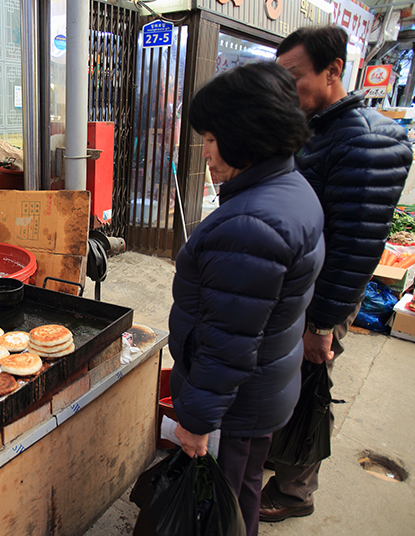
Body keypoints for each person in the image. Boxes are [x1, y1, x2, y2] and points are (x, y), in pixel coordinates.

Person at [260, 26, 413, 522]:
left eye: (295, 78)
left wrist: (322, 326)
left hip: (321, 297)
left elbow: (354, 248)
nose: (287, 90)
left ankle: (295, 491)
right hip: (293, 288)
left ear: (333, 71)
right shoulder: (314, 126)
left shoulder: (364, 141)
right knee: (281, 380)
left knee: (307, 387)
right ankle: (271, 457)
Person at [169, 61, 325, 536]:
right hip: (265, 391)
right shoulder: (291, 187)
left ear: (245, 135)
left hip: (236, 402)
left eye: (212, 139)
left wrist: (196, 420)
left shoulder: (250, 224)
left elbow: (228, 341)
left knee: (219, 507)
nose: (206, 153)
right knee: (243, 494)